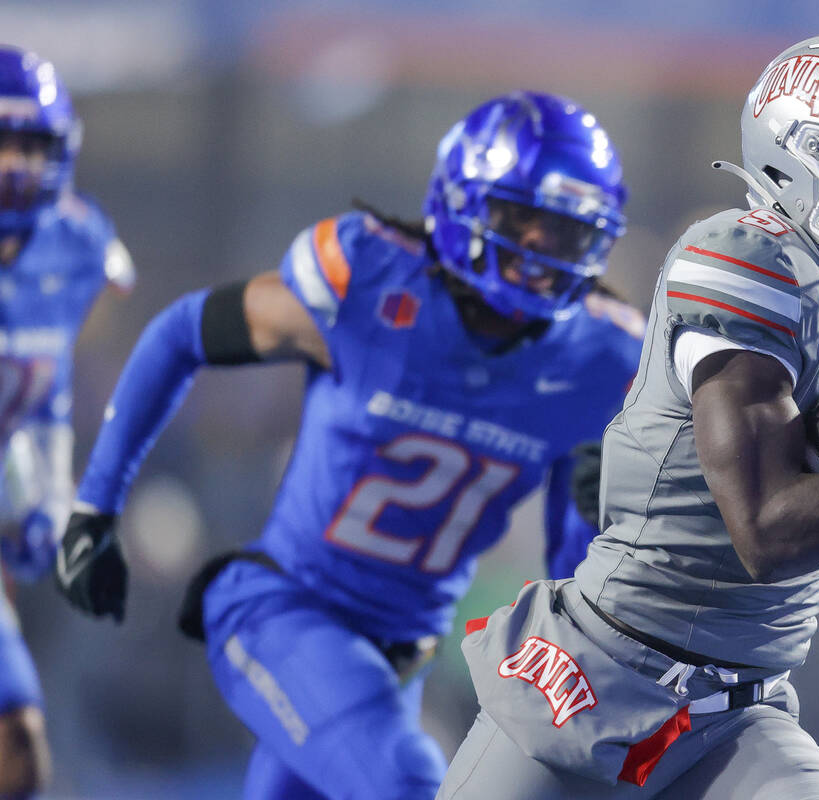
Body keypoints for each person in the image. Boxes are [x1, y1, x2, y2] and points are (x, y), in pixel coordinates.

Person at [436, 32, 819, 799]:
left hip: (735, 710)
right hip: (591, 680)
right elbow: (767, 529)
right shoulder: (744, 268)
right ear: (793, 161)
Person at [55, 91, 644, 799]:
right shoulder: (369, 281)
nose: (540, 258)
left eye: (568, 234)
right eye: (524, 221)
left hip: (403, 658)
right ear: (463, 200)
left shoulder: (601, 359)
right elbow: (182, 333)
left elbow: (571, 564)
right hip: (283, 609)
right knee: (409, 783)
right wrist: (97, 503)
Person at [0, 45, 135, 795]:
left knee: (19, 744)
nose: (16, 166)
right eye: (1, 145)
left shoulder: (77, 244)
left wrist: (43, 486)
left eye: (30, 145)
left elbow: (49, 385)